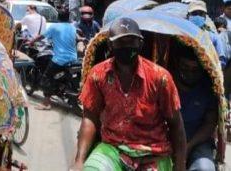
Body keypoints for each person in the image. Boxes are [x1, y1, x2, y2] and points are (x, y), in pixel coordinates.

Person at [72, 17, 186, 171]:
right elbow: (90, 117)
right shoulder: (98, 75)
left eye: (132, 41)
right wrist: (79, 161)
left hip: (152, 151)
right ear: (110, 45)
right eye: (121, 42)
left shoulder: (160, 78)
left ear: (140, 43)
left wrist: (180, 167)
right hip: (113, 149)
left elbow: (176, 125)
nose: (127, 47)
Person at [171, 47, 218, 171]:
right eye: (185, 67)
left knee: (204, 168)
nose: (189, 73)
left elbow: (210, 123)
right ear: (177, 64)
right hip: (167, 140)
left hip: (197, 142)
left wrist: (188, 146)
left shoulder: (208, 89)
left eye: (194, 70)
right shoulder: (166, 82)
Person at [30, 11, 78, 110]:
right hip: (73, 58)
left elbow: (41, 36)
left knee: (46, 78)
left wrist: (31, 41)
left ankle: (46, 104)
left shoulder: (54, 27)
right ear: (68, 18)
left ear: (58, 17)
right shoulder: (72, 27)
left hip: (60, 58)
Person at [187, 0, 227, 67]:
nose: (197, 16)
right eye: (194, 13)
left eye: (201, 14)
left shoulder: (213, 38)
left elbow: (221, 62)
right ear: (188, 16)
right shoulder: (180, 34)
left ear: (205, 17)